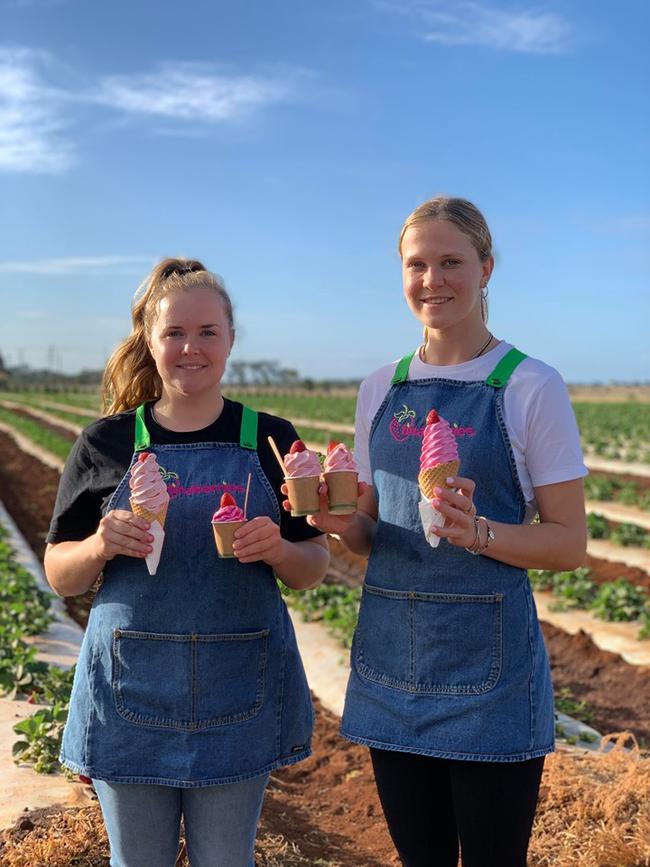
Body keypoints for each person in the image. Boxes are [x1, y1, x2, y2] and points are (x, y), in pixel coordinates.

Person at [308, 197, 587, 867]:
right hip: (391, 660)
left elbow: (569, 542)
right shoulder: (382, 387)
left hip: (488, 672)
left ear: (486, 267)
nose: (432, 279)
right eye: (417, 264)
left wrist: (481, 531)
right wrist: (347, 524)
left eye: (451, 261)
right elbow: (379, 535)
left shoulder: (528, 386)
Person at [44, 258, 329, 867]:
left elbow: (313, 568)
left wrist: (278, 548)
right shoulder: (106, 443)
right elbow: (60, 573)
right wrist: (101, 543)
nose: (190, 348)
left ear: (230, 339)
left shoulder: (270, 439)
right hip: (130, 688)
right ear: (150, 340)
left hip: (238, 687)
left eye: (207, 333)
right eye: (174, 333)